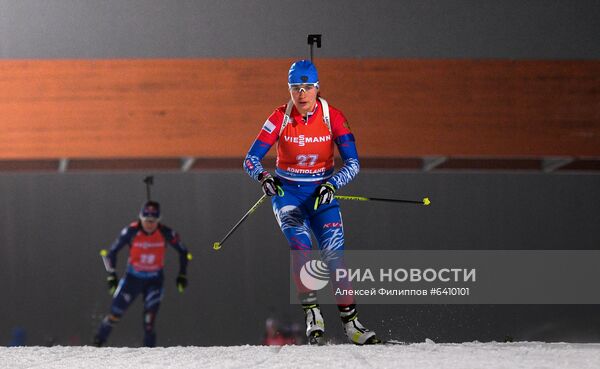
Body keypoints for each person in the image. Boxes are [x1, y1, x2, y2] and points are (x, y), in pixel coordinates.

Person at [243, 60, 380, 345]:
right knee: (300, 245)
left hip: (321, 196)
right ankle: (312, 314)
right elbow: (250, 158)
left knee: (334, 255)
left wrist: (333, 183)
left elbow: (354, 163)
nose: (301, 94)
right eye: (295, 88)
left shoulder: (333, 117)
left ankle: (351, 324)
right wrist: (264, 178)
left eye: (307, 87)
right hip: (288, 196)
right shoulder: (280, 117)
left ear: (317, 88)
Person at [94, 200, 190, 347]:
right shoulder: (131, 231)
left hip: (154, 280)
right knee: (115, 314)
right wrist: (111, 275)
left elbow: (183, 252)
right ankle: (98, 343)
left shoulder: (166, 233)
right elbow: (111, 252)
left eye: (153, 221)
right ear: (140, 218)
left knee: (149, 321)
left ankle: (149, 354)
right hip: (132, 279)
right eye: (146, 220)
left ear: (158, 220)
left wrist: (182, 275)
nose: (149, 224)